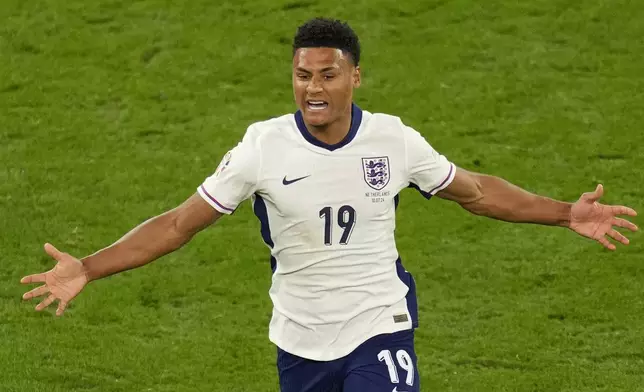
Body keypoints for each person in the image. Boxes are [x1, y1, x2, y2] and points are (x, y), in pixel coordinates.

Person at [21, 17, 638, 392]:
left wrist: (565, 212)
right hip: (300, 338)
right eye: (302, 75)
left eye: (327, 74)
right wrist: (90, 267)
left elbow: (474, 191)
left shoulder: (393, 140)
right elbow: (182, 224)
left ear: (355, 78)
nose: (313, 87)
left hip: (380, 322)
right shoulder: (262, 148)